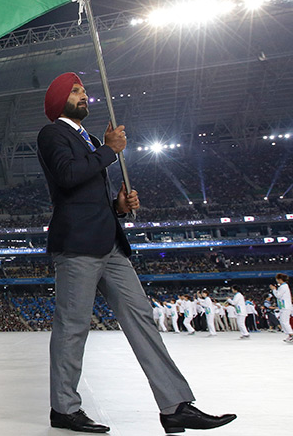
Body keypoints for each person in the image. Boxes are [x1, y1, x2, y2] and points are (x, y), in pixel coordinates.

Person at [37, 73, 235, 433]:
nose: (84, 96)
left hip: (110, 242)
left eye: (83, 90)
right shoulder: (52, 134)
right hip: (77, 245)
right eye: (76, 91)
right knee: (73, 326)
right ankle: (63, 408)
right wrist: (109, 151)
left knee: (142, 317)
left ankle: (175, 405)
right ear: (59, 100)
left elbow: (90, 195)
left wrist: (119, 205)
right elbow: (67, 176)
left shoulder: (92, 139)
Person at [271, 273, 292, 343]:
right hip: (283, 306)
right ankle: (289, 335)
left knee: (285, 321)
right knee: (283, 321)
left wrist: (274, 289)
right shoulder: (283, 286)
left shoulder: (284, 286)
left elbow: (278, 295)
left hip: (285, 306)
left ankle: (291, 334)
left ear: (280, 279)